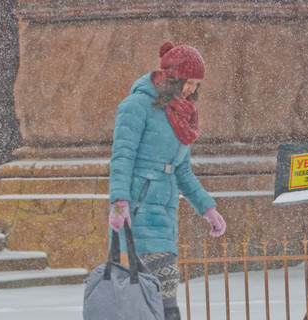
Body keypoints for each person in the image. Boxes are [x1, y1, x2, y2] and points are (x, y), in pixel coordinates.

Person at [108, 42, 227, 320]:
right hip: (136, 212)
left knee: (160, 290)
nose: (193, 90)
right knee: (155, 290)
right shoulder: (136, 106)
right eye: (190, 82)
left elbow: (182, 170)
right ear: (174, 77)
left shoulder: (180, 114)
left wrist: (207, 208)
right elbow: (121, 158)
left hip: (164, 215)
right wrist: (118, 203)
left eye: (197, 84)